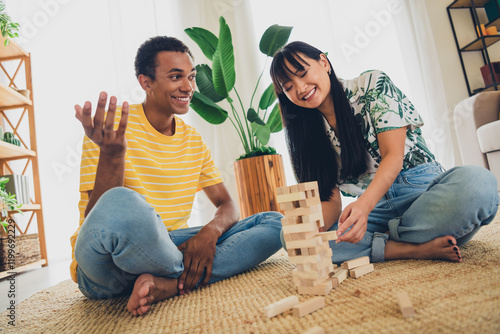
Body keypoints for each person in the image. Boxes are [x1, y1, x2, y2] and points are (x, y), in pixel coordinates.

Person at [70, 36, 283, 316]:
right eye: (175, 77)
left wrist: (210, 233)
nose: (188, 87)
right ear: (146, 82)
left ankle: (166, 284)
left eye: (191, 77)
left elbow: (227, 205)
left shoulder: (193, 141)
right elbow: (98, 221)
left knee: (273, 222)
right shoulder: (112, 129)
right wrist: (112, 154)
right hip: (105, 268)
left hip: (168, 244)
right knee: (123, 201)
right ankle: (181, 275)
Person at [270, 41, 499, 265]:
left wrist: (363, 207)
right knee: (290, 237)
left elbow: (393, 157)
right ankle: (409, 247)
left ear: (324, 63)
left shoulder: (371, 84)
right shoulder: (306, 133)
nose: (299, 88)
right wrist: (312, 227)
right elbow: (330, 202)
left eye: (302, 73)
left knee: (479, 183)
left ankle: (384, 244)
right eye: (288, 87)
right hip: (375, 214)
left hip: (420, 194)